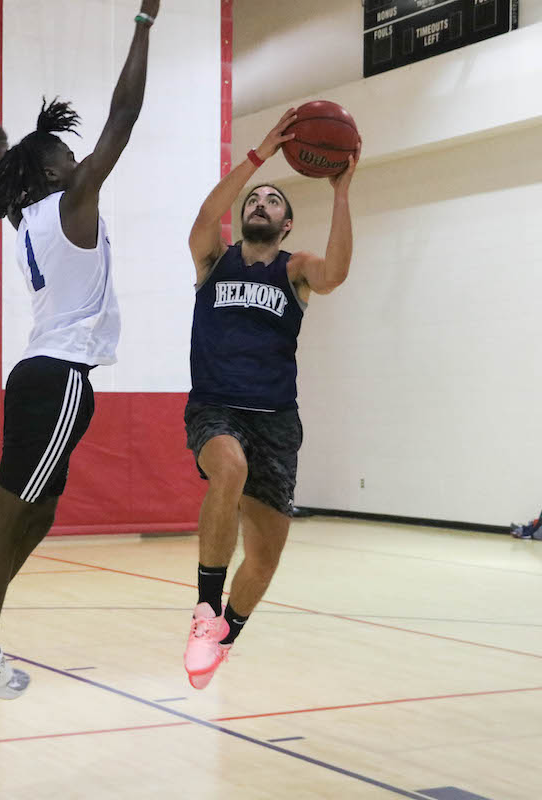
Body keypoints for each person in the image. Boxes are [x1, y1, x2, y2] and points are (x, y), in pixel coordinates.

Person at [0, 0, 161, 704]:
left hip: (49, 376)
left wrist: (1, 143)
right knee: (12, 514)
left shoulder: (30, 216)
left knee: (39, 511)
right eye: (65, 154)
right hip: (57, 376)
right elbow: (124, 117)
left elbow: (14, 178)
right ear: (58, 174)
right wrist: (144, 24)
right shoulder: (72, 199)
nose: (76, 155)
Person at [182, 108, 360, 689]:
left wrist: (341, 194)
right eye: (254, 200)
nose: (260, 203)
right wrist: (259, 157)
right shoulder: (214, 260)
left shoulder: (295, 271)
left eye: (273, 201)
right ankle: (206, 610)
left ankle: (227, 632)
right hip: (216, 408)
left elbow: (335, 272)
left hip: (277, 422)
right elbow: (207, 215)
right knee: (226, 468)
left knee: (264, 559)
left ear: (286, 226)